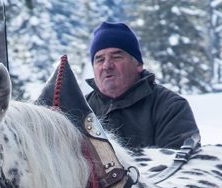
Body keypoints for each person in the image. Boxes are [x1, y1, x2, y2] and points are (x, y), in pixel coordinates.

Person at [85, 21, 200, 150]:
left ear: (138, 64)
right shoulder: (79, 110)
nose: (107, 66)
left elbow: (180, 166)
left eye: (116, 57)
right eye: (99, 60)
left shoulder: (170, 107)